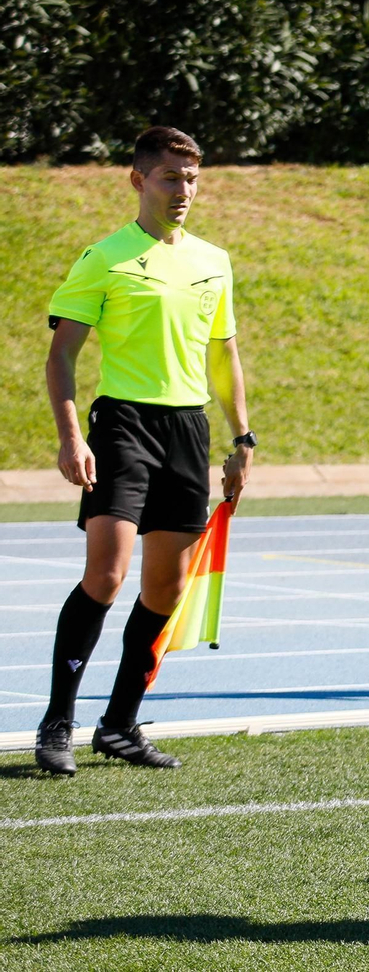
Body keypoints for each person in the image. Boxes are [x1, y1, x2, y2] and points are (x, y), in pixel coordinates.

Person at [34, 126, 254, 776]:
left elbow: (225, 354)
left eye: (191, 178)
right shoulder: (103, 257)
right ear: (138, 180)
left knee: (166, 585)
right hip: (122, 424)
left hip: (188, 429)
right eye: (169, 177)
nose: (183, 190)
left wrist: (242, 441)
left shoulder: (214, 259)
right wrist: (71, 435)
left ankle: (120, 724)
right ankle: (56, 723)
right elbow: (61, 356)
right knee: (106, 573)